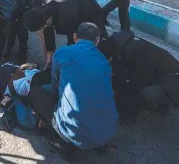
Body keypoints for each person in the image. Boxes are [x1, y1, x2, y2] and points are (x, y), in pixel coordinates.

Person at [28, 23, 118, 160]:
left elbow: (54, 86)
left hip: (73, 132)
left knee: (36, 93)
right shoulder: (105, 63)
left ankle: (63, 143)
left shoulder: (63, 53)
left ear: (75, 37)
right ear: (97, 41)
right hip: (109, 131)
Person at [98, 30, 179, 122]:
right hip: (169, 78)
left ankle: (130, 115)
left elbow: (141, 79)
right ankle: (164, 102)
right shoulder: (126, 44)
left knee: (135, 91)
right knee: (126, 83)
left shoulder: (135, 52)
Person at [23, 0, 107, 69]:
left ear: (47, 21)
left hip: (91, 11)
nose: (41, 30)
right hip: (72, 4)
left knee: (97, 42)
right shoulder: (42, 10)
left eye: (41, 28)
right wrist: (49, 62)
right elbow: (48, 34)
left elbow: (75, 37)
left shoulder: (67, 18)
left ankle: (104, 64)